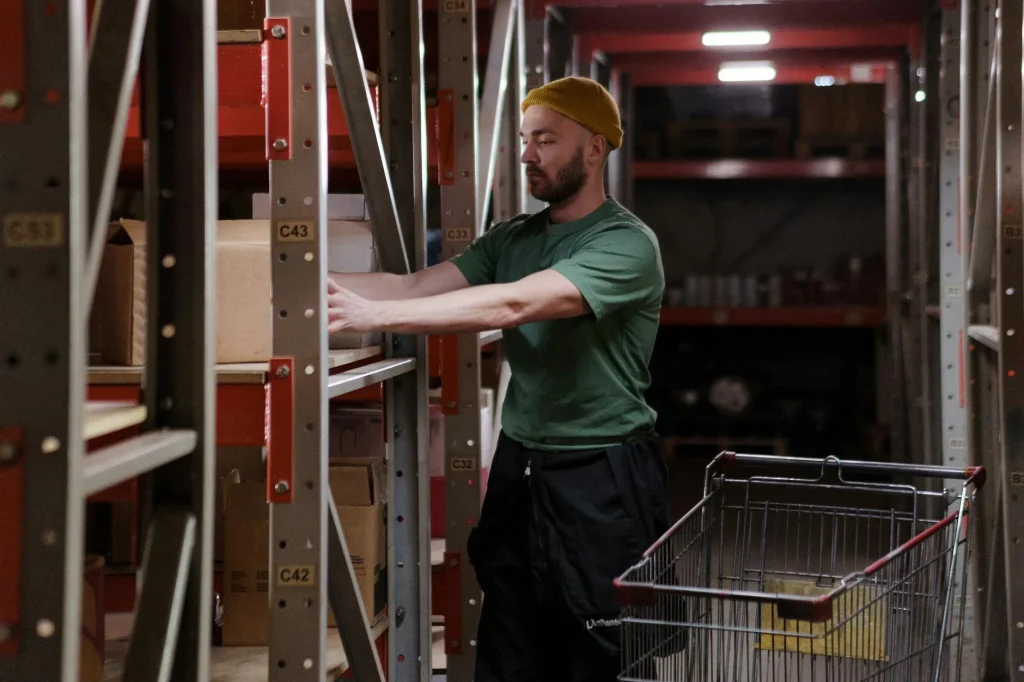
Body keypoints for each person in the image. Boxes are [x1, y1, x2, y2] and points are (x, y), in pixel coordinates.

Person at [327, 76, 669, 682]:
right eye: (524, 139)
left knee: (597, 651)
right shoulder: (514, 238)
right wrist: (294, 283)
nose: (528, 154)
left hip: (600, 473)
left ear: (595, 147)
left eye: (546, 140)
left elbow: (515, 304)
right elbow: (412, 286)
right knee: (509, 643)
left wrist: (374, 316)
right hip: (522, 466)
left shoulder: (625, 244)